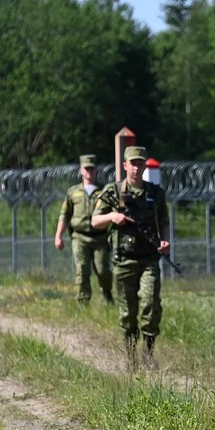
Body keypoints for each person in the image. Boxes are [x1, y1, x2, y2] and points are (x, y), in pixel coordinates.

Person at [91, 146, 170, 370]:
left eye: (140, 163)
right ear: (125, 165)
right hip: (124, 260)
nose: (136, 167)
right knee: (128, 313)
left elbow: (164, 221)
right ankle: (131, 356)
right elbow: (95, 221)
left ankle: (148, 353)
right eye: (132, 163)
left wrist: (165, 241)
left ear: (145, 165)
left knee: (151, 306)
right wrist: (112, 216)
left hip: (149, 259)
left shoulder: (155, 193)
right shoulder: (113, 192)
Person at [55, 154, 113, 304]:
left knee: (103, 271)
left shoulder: (104, 191)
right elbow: (64, 215)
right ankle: (82, 301)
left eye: (92, 169)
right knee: (82, 271)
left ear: (96, 170)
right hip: (79, 237)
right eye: (86, 169)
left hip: (100, 237)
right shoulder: (73, 192)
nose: (89, 172)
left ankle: (107, 294)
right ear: (81, 170)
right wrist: (58, 236)